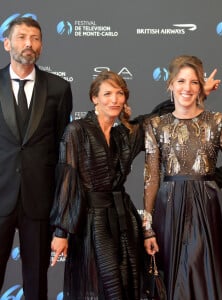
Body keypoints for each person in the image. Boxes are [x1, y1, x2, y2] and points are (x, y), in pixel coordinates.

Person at [142, 55, 222, 300]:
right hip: (169, 210)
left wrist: (206, 180)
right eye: (181, 81)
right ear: (170, 85)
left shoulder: (217, 121)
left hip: (208, 209)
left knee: (205, 273)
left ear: (201, 87)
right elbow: (151, 178)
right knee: (173, 276)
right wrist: (148, 230)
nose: (187, 88)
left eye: (194, 82)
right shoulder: (156, 125)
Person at [50, 70, 145, 300]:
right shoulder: (77, 130)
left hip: (123, 218)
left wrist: (199, 90)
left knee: (126, 284)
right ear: (94, 98)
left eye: (119, 93)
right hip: (92, 222)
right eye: (107, 93)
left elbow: (158, 116)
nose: (114, 100)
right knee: (108, 286)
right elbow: (67, 180)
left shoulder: (126, 133)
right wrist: (61, 232)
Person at [0, 17, 72, 299]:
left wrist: (59, 214)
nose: (28, 44)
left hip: (40, 202)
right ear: (7, 43)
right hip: (0, 198)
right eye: (21, 37)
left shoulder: (58, 88)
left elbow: (61, 150)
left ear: (41, 45)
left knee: (36, 284)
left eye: (35, 38)